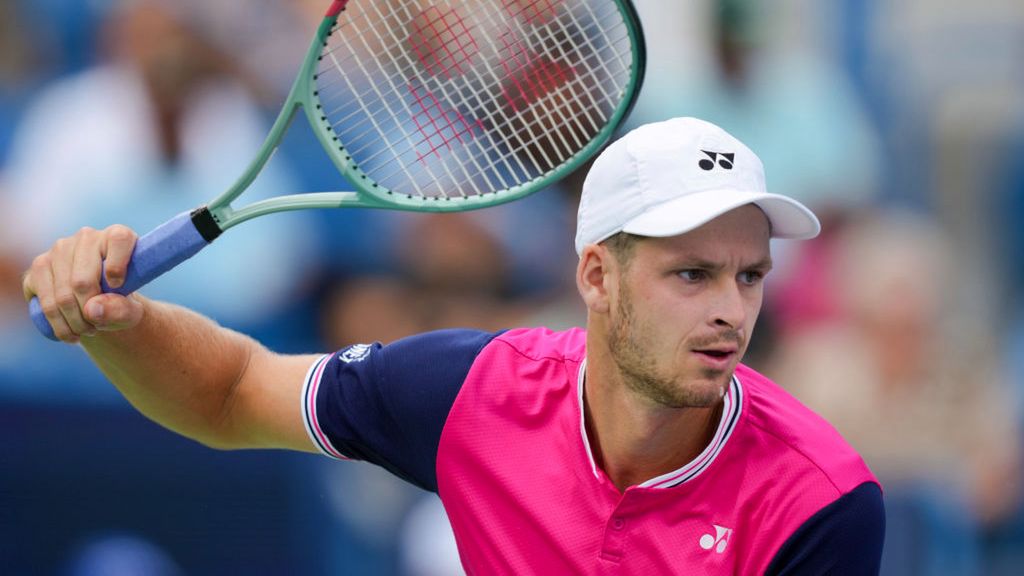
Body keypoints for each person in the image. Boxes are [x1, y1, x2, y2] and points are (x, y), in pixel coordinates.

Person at [24, 117, 884, 574]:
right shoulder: (470, 392)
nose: (733, 310)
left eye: (749, 276)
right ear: (595, 276)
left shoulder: (820, 505)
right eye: (691, 276)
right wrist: (122, 326)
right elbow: (231, 390)